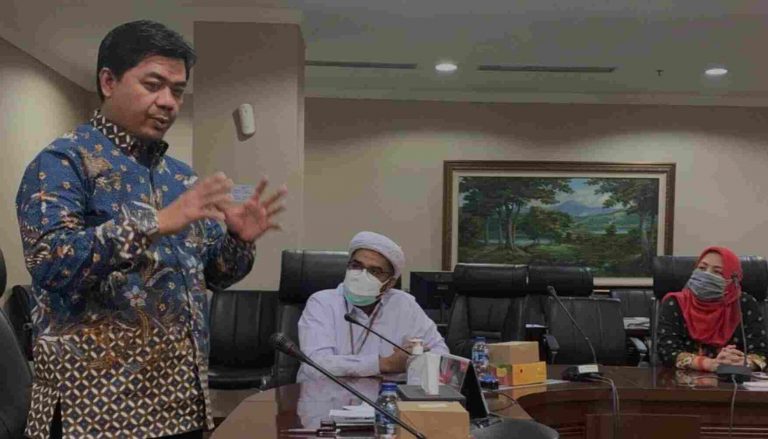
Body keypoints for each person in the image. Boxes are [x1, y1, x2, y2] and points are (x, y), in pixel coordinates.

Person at [16, 20, 286, 439]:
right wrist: (153, 223)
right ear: (108, 81)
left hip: (181, 404)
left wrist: (239, 240)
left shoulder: (180, 177)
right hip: (97, 414)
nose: (168, 102)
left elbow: (215, 275)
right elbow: (50, 262)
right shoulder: (64, 162)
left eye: (177, 90)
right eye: (153, 85)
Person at [297, 231, 448, 381]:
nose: (362, 275)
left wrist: (416, 359)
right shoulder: (322, 303)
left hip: (388, 393)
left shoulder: (404, 305)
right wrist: (386, 364)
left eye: (374, 271)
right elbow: (315, 366)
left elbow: (441, 354)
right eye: (356, 266)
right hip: (325, 393)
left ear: (390, 283)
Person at [658, 246, 768, 372]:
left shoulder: (744, 304)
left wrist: (742, 363)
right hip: (684, 379)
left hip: (735, 378)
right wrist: (709, 364)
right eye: (702, 268)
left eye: (717, 272)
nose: (706, 274)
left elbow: (761, 353)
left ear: (732, 279)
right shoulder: (675, 303)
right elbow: (667, 352)